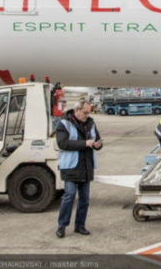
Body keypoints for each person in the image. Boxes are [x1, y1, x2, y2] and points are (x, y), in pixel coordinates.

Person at [55, 99, 103, 238]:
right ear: (77, 110)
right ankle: (62, 226)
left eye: (89, 113)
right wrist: (84, 143)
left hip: (86, 166)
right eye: (85, 113)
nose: (87, 115)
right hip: (71, 166)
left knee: (85, 200)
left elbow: (97, 140)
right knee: (69, 196)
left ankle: (80, 226)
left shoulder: (91, 123)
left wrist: (98, 145)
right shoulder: (64, 124)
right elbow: (62, 143)